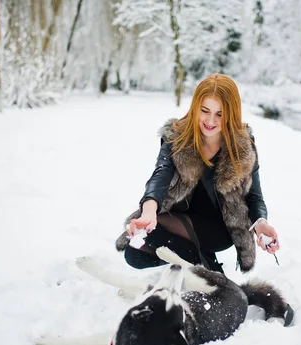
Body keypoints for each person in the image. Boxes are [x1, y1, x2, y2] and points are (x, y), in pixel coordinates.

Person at [115, 73, 279, 273]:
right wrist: (149, 211)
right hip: (180, 218)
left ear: (231, 113)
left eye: (220, 114)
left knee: (147, 239)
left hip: (220, 227)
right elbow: (161, 175)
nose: (210, 120)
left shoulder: (242, 145)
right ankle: (207, 266)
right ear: (195, 107)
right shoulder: (177, 136)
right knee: (135, 253)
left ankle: (207, 271)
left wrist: (261, 223)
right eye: (205, 110)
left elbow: (255, 196)